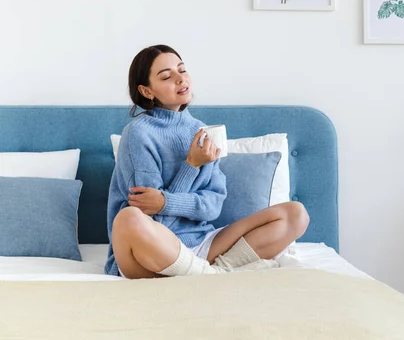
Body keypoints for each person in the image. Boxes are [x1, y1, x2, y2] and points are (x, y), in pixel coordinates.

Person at [104, 44, 309, 279]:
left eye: (182, 70)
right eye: (167, 76)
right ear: (147, 91)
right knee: (129, 218)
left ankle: (210, 272)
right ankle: (207, 275)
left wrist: (165, 201)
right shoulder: (138, 134)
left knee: (295, 214)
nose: (181, 79)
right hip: (152, 251)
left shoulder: (201, 130)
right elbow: (153, 218)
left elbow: (212, 206)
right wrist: (191, 165)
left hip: (204, 244)